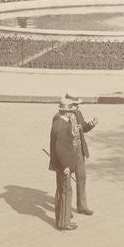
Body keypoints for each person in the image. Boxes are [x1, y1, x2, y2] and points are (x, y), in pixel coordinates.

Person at [62, 93, 99, 216]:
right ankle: (66, 209)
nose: (78, 107)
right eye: (75, 105)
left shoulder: (78, 113)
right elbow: (59, 135)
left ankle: (82, 206)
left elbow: (84, 128)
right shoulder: (61, 116)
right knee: (66, 182)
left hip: (79, 149)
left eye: (78, 105)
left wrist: (91, 124)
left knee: (81, 178)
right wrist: (72, 130)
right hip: (68, 152)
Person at [49, 97, 79, 231]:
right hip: (63, 165)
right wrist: (66, 166)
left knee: (60, 191)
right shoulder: (63, 125)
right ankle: (64, 222)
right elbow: (61, 149)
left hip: (58, 164)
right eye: (71, 110)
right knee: (66, 191)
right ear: (67, 112)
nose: (72, 113)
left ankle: (60, 220)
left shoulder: (57, 122)